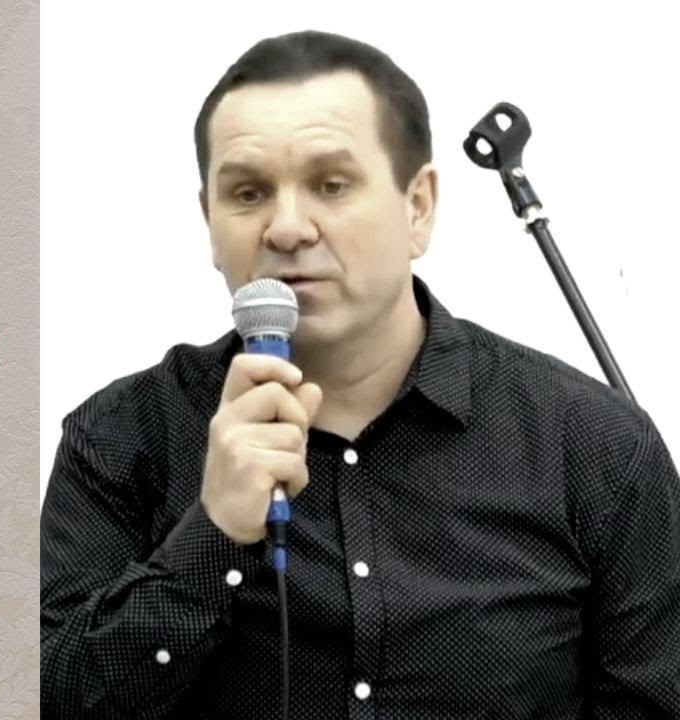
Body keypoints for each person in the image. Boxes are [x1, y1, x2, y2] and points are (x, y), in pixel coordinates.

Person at [40, 30, 680, 719]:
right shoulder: (123, 439)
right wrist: (212, 535)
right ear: (210, 222)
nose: (287, 228)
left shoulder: (595, 447)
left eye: (332, 185)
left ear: (419, 206)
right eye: (248, 193)